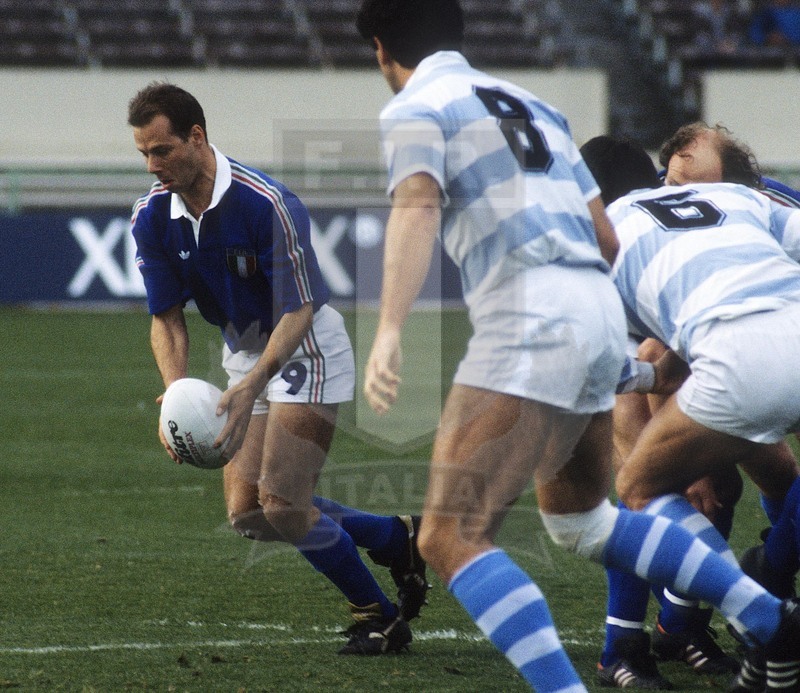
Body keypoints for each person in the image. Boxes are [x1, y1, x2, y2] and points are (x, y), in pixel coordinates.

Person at [356, 1, 800, 690]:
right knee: (581, 521)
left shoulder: (416, 105)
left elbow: (416, 207)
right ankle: (765, 612)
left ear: (383, 50)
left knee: (447, 536)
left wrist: (388, 327)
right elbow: (605, 240)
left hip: (526, 317)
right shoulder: (536, 106)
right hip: (592, 309)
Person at [127, 82, 429, 656]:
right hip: (242, 354)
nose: (152, 166)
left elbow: (300, 307)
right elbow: (166, 320)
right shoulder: (151, 216)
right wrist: (176, 396)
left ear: (196, 137)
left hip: (304, 350)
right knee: (248, 516)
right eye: (143, 153)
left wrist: (253, 385)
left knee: (284, 505)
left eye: (161, 151)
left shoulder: (267, 202)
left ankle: (381, 617)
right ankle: (395, 535)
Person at [581, 135, 800, 692]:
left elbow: (631, 361)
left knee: (644, 487)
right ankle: (646, 636)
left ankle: (748, 609)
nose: (673, 176)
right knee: (736, 478)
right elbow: (653, 355)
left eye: (685, 164)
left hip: (724, 353)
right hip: (727, 341)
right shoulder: (748, 201)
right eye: (668, 171)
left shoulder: (611, 230)